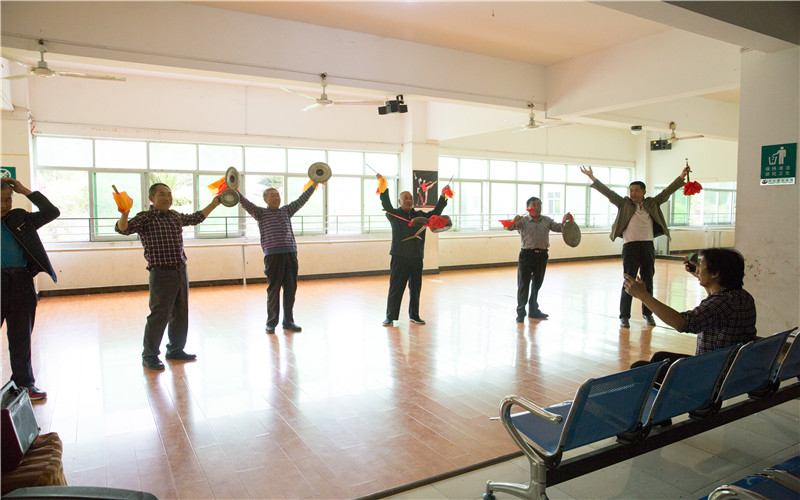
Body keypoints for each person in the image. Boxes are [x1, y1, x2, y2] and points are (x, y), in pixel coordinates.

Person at [116, 183, 221, 370]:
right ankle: (149, 355)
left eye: (169, 194)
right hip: (161, 273)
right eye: (162, 194)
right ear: (152, 198)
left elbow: (196, 218)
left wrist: (214, 203)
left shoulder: (174, 216)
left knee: (180, 313)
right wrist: (124, 214)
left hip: (180, 270)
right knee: (159, 315)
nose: (167, 198)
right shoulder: (145, 217)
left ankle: (175, 349)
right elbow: (124, 229)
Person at [580, 164, 690, 328]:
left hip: (647, 246)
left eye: (636, 190)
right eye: (631, 190)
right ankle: (624, 316)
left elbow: (668, 191)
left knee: (648, 281)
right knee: (628, 281)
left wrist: (681, 176)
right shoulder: (624, 203)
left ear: (643, 192)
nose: (633, 193)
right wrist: (591, 177)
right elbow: (607, 192)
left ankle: (648, 314)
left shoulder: (652, 203)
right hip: (630, 247)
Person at [625, 248, 756, 369]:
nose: (697, 270)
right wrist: (702, 276)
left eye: (701, 266)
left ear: (715, 273)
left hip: (711, 372)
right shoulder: (742, 296)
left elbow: (682, 323)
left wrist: (643, 296)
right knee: (659, 357)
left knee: (639, 367)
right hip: (732, 367)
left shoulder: (723, 303)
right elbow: (714, 303)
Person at [1, 178, 60, 400]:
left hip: (21, 282)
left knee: (21, 338)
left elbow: (51, 212)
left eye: (7, 199)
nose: (4, 205)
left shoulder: (20, 218)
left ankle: (24, 384)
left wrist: (25, 191)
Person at [239, 182, 317, 334]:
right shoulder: (260, 213)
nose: (276, 198)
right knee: (273, 290)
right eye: (272, 196)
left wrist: (314, 184)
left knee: (290, 289)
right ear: (265, 199)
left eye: (277, 195)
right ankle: (271, 323)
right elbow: (246, 204)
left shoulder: (286, 210)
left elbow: (302, 199)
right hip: (273, 256)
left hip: (290, 254)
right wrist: (236, 192)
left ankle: (288, 322)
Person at [378, 174, 449, 326]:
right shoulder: (394, 215)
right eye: (405, 198)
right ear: (400, 201)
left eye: (410, 198)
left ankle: (414, 315)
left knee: (415, 288)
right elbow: (386, 203)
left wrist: (443, 196)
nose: (409, 200)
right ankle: (390, 317)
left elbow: (435, 213)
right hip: (399, 257)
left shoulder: (420, 216)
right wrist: (383, 184)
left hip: (416, 257)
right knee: (396, 288)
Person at [507, 197, 572, 322]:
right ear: (527, 207)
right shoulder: (522, 221)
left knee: (537, 284)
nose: (537, 207)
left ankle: (533, 311)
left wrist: (564, 221)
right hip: (526, 255)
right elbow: (509, 227)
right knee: (523, 285)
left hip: (542, 255)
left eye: (539, 204)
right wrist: (513, 220)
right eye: (533, 204)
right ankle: (521, 313)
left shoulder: (547, 220)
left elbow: (559, 228)